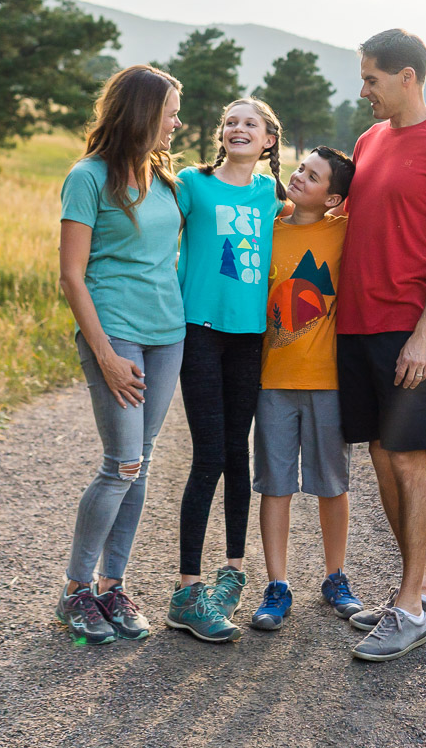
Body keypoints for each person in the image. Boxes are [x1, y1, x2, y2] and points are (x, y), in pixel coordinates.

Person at [336, 29, 426, 662]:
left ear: (407, 77)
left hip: (406, 327)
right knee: (380, 452)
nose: (364, 90)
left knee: (408, 460)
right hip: (356, 324)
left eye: (371, 79)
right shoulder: (369, 141)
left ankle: (410, 610)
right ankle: (423, 588)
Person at [54, 65, 185, 645]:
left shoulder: (166, 178)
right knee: (122, 464)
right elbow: (71, 275)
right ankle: (75, 590)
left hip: (168, 333)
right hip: (116, 333)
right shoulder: (87, 178)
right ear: (142, 114)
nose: (176, 124)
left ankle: (112, 586)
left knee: (143, 461)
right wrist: (104, 353)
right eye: (170, 114)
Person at [167, 98, 289, 642]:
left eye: (250, 123)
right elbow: (153, 230)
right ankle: (187, 592)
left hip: (250, 338)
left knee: (238, 454)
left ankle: (233, 574)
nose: (238, 128)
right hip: (200, 332)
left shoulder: (271, 196)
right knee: (209, 455)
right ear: (222, 134)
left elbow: (317, 216)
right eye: (231, 122)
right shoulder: (191, 185)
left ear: (268, 141)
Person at [249, 147, 362, 631]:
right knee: (274, 485)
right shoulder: (269, 228)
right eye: (300, 168)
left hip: (327, 383)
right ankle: (277, 585)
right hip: (272, 381)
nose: (298, 177)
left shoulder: (345, 230)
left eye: (313, 177)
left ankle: (335, 577)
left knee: (332, 485)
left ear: (333, 198)